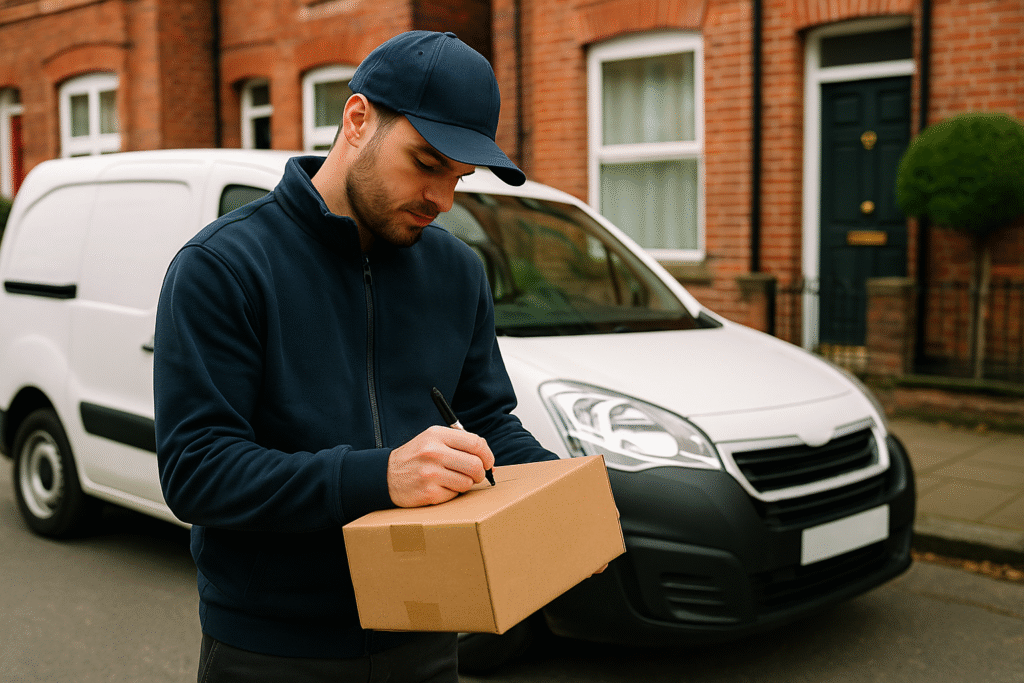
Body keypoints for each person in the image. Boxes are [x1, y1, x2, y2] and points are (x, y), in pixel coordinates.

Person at [153, 30, 557, 683]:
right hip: (272, 651)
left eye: (459, 177)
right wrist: (380, 476)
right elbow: (197, 470)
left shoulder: (458, 271)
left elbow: (487, 425)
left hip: (424, 636)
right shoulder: (223, 266)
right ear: (358, 119)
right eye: (427, 163)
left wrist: (566, 498)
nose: (442, 200)